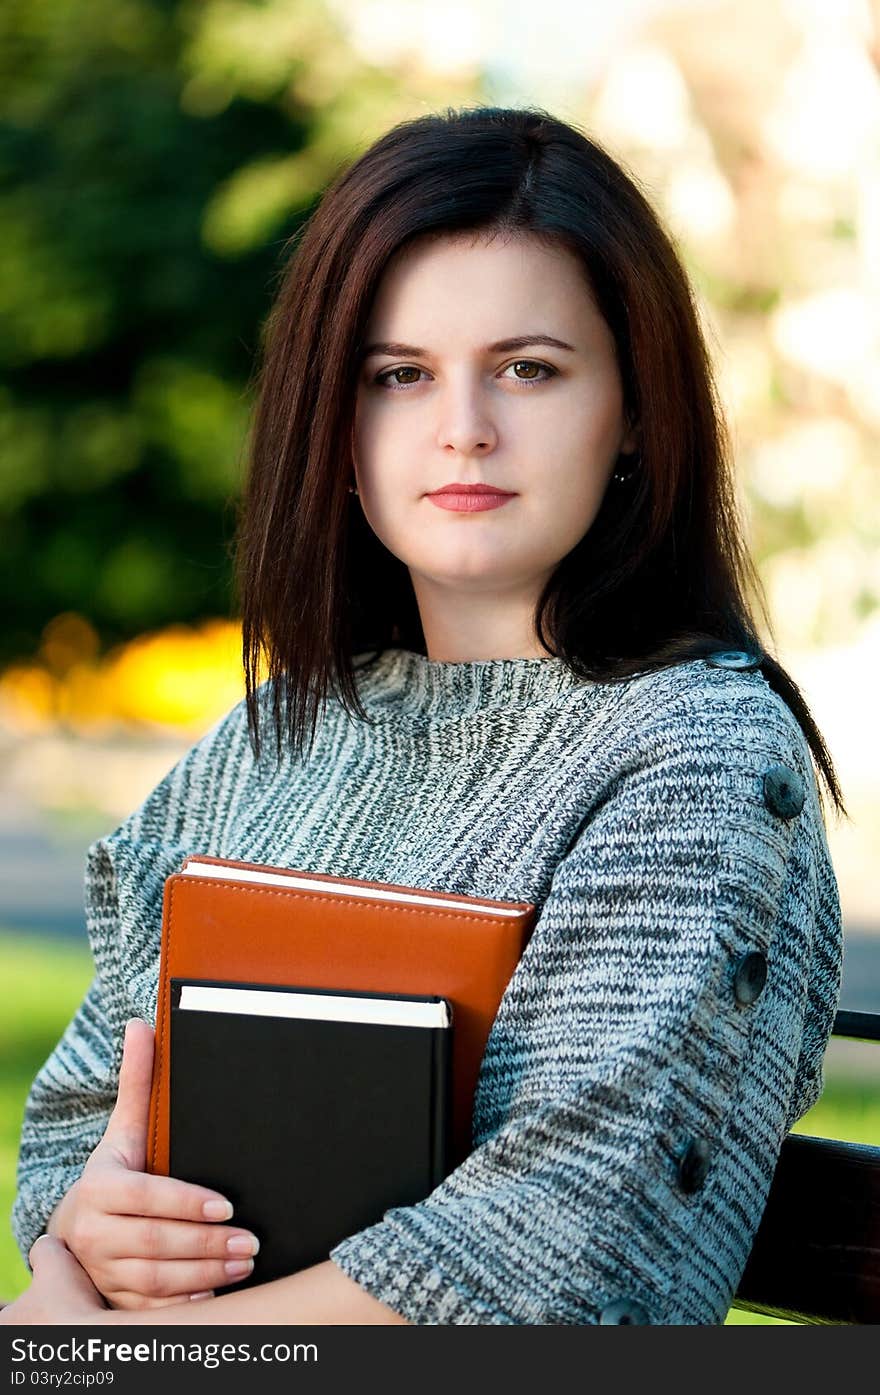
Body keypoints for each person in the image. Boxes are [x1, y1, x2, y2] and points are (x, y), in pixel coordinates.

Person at [3, 104, 845, 1327]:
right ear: (333, 431)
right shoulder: (263, 743)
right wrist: (91, 1230)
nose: (463, 428)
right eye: (398, 375)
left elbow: (563, 1248)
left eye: (529, 369)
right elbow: (86, 1119)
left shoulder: (699, 761)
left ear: (639, 415)